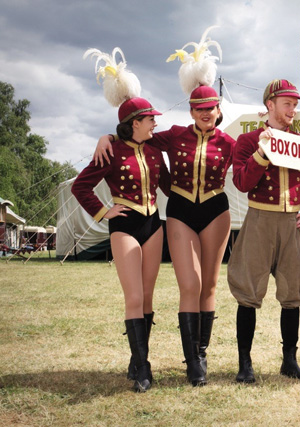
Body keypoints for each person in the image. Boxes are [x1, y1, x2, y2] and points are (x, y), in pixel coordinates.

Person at [93, 28, 232, 387]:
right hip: (181, 213)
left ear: (219, 109)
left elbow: (247, 169)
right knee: (191, 283)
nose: (205, 113)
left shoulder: (230, 143)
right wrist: (106, 136)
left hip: (216, 211)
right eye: (199, 108)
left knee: (210, 286)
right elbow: (132, 136)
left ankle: (200, 355)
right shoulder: (170, 136)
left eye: (211, 108)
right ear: (191, 110)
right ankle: (189, 363)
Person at [73, 48, 169, 392]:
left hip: (154, 223)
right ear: (135, 123)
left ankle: (136, 356)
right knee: (133, 298)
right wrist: (103, 211)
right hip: (124, 225)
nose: (155, 122)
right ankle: (143, 367)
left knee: (148, 297)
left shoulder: (156, 149)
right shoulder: (110, 150)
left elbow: (170, 185)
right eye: (150, 119)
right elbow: (81, 187)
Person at [228, 79, 300, 383]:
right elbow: (241, 183)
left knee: (293, 291)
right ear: (270, 105)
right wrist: (261, 155)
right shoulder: (248, 141)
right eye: (287, 103)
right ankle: (245, 364)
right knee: (248, 291)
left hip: (291, 221)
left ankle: (289, 361)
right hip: (260, 218)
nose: (293, 109)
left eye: (295, 104)